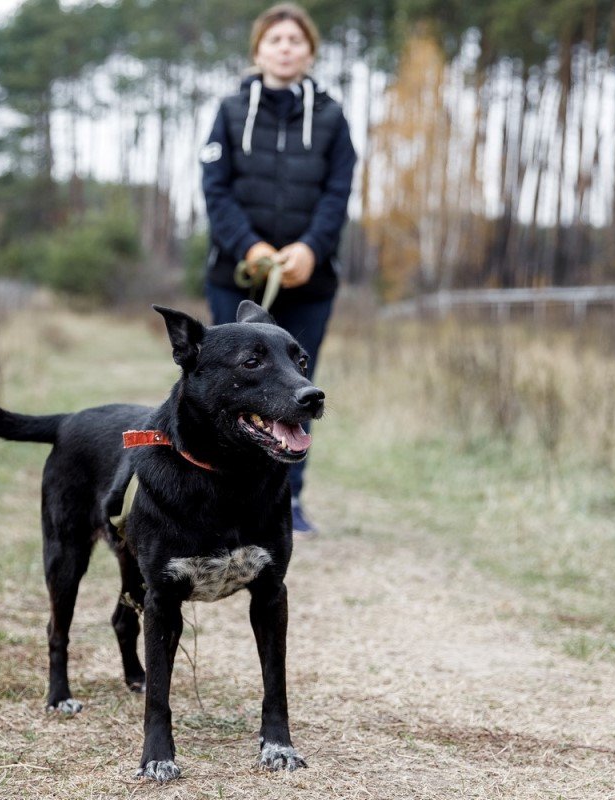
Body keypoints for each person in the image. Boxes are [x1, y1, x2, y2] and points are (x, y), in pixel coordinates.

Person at [200, 2, 357, 537]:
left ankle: (287, 501)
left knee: (296, 385)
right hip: (237, 276)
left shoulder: (333, 116)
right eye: (275, 39)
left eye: (295, 39)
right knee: (231, 385)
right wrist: (249, 247)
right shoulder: (228, 111)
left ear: (310, 50)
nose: (285, 47)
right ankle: (220, 494)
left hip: (310, 283)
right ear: (258, 50)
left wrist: (311, 248)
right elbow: (215, 189)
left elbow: (339, 192)